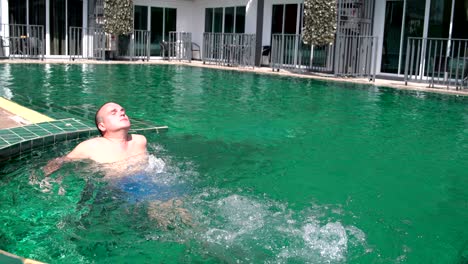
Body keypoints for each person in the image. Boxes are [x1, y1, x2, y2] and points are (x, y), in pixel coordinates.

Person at [44, 102, 148, 176]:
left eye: (122, 111)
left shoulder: (140, 141)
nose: (122, 113)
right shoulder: (92, 146)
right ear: (102, 126)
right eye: (113, 112)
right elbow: (61, 161)